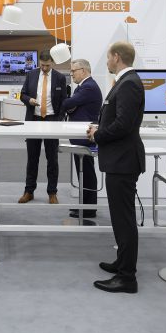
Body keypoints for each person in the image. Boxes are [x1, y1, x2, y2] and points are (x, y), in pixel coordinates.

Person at [88, 41, 145, 294]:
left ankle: (127, 278)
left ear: (117, 57)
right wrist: (100, 128)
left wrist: (98, 135)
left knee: (124, 220)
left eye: (109, 57)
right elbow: (120, 120)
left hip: (123, 161)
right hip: (120, 160)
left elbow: (124, 124)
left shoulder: (129, 83)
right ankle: (122, 263)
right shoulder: (125, 82)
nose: (107, 62)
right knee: (120, 218)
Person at [17, 51, 67, 204]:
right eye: (42, 65)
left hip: (52, 120)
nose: (44, 68)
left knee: (52, 159)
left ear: (52, 63)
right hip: (34, 120)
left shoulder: (60, 77)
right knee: (32, 158)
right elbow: (22, 94)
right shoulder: (31, 74)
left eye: (47, 65)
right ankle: (29, 191)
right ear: (39, 62)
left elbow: (64, 101)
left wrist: (58, 120)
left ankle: (52, 192)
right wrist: (29, 100)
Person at [60, 59, 103, 219]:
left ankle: (89, 209)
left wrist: (68, 103)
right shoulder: (84, 87)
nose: (71, 74)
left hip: (85, 137)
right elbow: (72, 106)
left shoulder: (88, 87)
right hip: (82, 136)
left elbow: (69, 103)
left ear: (83, 70)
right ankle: (85, 206)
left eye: (73, 71)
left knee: (87, 173)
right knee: (84, 172)